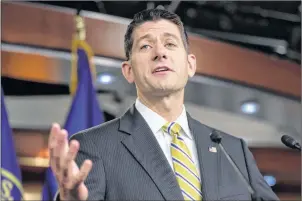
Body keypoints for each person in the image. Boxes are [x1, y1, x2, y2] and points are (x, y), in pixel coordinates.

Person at [48, 8, 279, 201]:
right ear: (128, 71)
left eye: (170, 44)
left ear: (190, 65)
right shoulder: (94, 146)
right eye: (145, 46)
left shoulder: (232, 150)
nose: (160, 53)